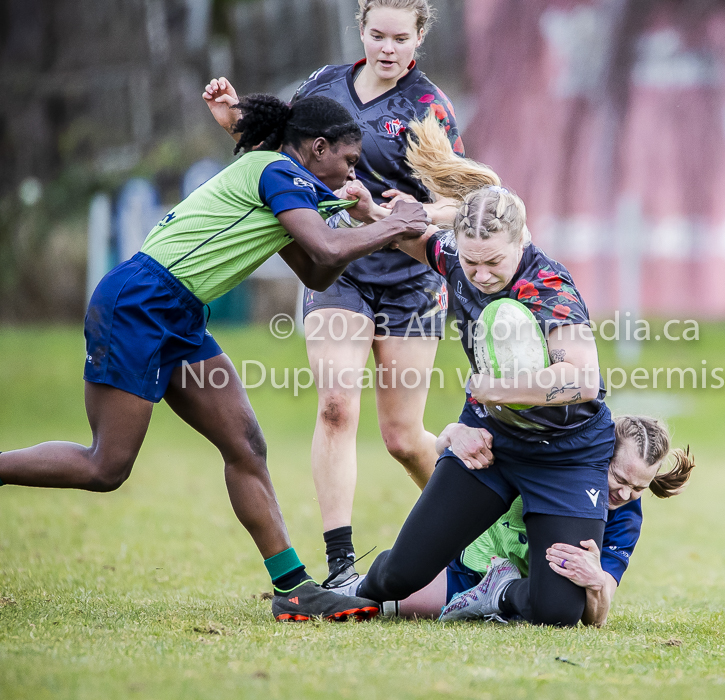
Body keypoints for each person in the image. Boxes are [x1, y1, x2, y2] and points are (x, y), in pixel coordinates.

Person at [0, 93, 430, 622]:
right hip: (139, 302)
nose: (352, 170)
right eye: (347, 159)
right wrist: (393, 222)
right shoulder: (276, 171)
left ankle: (292, 588)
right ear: (318, 149)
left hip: (179, 310)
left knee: (245, 444)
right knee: (106, 466)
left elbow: (318, 271)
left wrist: (354, 217)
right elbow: (327, 251)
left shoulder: (288, 186)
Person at [202, 0, 464, 588]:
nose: (388, 48)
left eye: (401, 37)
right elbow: (284, 148)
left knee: (401, 437)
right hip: (338, 269)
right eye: (378, 34)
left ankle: (475, 533)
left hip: (409, 282)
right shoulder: (324, 85)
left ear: (419, 36)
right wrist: (235, 123)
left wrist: (419, 211)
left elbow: (460, 202)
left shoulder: (429, 109)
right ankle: (342, 564)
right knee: (336, 407)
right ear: (362, 30)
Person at [327, 113, 625, 627]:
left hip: (567, 455)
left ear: (521, 246)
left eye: (495, 264)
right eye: (472, 264)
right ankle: (337, 595)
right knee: (400, 574)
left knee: (557, 611)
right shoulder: (456, 257)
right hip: (493, 445)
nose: (482, 275)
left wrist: (497, 391)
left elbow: (583, 381)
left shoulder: (548, 288)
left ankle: (500, 591)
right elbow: (411, 241)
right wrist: (372, 211)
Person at [374, 416, 694, 626]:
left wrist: (596, 581)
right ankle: (346, 581)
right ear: (600, 453)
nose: (625, 494)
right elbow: (445, 451)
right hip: (466, 569)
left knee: (559, 613)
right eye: (619, 478)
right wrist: (454, 432)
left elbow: (595, 619)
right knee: (381, 603)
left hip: (531, 592)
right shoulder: (549, 458)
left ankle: (501, 597)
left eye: (639, 488)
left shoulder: (626, 516)